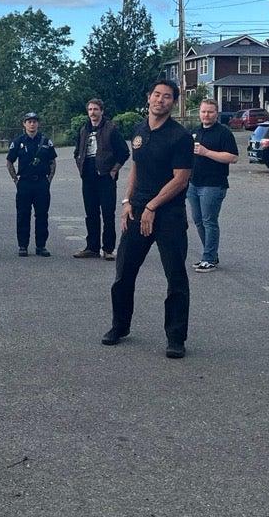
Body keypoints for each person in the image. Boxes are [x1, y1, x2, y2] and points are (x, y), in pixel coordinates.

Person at [102, 79, 194, 358]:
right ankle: (120, 326)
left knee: (176, 278)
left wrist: (152, 207)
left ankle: (176, 338)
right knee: (123, 275)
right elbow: (136, 168)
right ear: (149, 97)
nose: (160, 100)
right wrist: (128, 202)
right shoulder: (139, 131)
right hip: (138, 209)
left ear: (173, 102)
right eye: (156, 95)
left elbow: (181, 179)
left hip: (169, 215)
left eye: (167, 97)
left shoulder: (180, 136)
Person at [187, 99, 239, 272]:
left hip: (213, 184)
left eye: (210, 112)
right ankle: (211, 254)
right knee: (198, 220)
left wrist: (207, 152)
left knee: (209, 221)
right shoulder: (195, 131)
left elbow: (233, 157)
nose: (206, 115)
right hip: (194, 183)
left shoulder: (223, 133)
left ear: (216, 113)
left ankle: (208, 258)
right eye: (203, 112)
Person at [73, 98, 129, 260]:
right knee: (91, 214)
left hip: (105, 177)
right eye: (90, 109)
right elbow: (77, 152)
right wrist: (80, 165)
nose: (93, 112)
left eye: (96, 109)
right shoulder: (83, 129)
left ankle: (108, 249)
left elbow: (124, 152)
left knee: (108, 214)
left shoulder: (111, 129)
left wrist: (114, 170)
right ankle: (92, 247)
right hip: (88, 176)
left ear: (102, 111)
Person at [6, 112, 57, 257]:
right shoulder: (18, 142)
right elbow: (9, 161)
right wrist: (15, 180)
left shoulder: (46, 141)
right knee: (23, 215)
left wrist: (49, 180)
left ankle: (41, 246)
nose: (32, 124)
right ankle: (23, 245)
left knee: (42, 215)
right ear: (24, 124)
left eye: (34, 121)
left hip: (41, 182)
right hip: (25, 183)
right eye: (29, 121)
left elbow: (53, 162)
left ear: (38, 124)